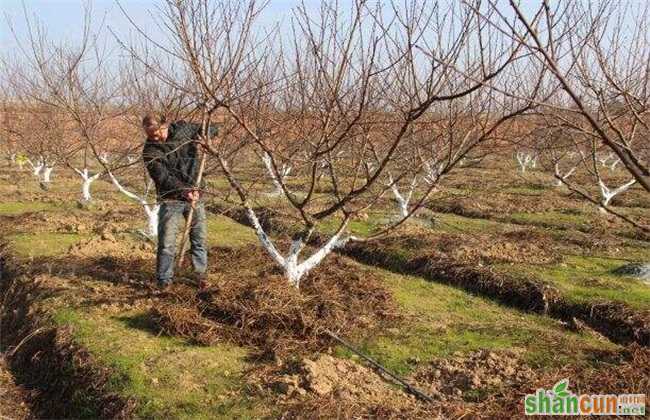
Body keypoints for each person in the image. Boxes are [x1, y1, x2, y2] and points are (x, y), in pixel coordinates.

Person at [141, 113, 214, 289]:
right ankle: (164, 280)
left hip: (196, 194)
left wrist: (206, 138)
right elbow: (163, 177)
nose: (154, 138)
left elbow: (210, 127)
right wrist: (185, 191)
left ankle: (200, 276)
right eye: (150, 135)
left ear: (165, 125)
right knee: (166, 243)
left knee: (199, 239)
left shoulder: (183, 130)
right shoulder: (150, 150)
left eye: (156, 133)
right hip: (171, 198)